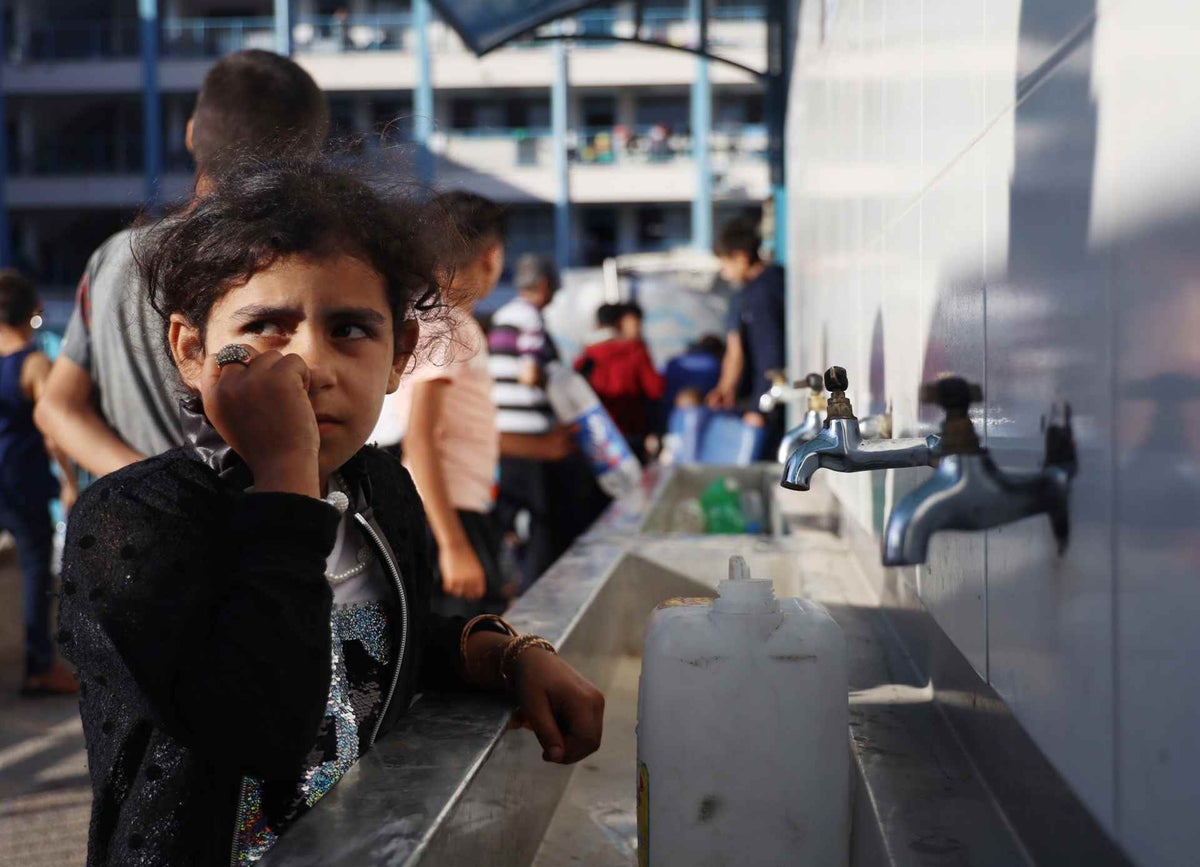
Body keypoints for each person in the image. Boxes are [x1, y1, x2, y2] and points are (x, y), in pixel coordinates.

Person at [58, 158, 604, 866]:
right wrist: (286, 478)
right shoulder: (134, 520)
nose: (311, 363)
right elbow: (263, 729)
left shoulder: (381, 487)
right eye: (264, 326)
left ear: (400, 353)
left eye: (350, 329)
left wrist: (503, 654)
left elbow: (369, 650)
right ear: (192, 352)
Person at [35, 49, 329, 477]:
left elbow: (56, 407)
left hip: (129, 535)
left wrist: (147, 493)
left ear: (192, 134)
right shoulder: (295, 270)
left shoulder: (115, 257)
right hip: (264, 526)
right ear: (310, 157)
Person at [384, 191, 510, 617]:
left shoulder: (429, 318)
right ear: (492, 257)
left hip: (442, 508)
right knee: (465, 651)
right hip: (448, 513)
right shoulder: (452, 327)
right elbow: (420, 438)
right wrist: (455, 545)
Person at [488, 254, 606, 587]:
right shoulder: (530, 319)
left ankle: (508, 582)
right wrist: (560, 387)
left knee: (509, 517)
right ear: (543, 285)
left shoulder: (501, 317)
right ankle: (537, 589)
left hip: (505, 436)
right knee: (543, 523)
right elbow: (528, 374)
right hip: (535, 440)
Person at [0, 270, 78, 696]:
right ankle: (39, 667)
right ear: (30, 312)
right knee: (34, 573)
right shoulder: (33, 363)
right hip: (25, 482)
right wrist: (68, 482)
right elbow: (53, 431)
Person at [705, 217, 786, 458]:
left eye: (725, 264)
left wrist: (758, 408)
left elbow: (770, 354)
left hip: (769, 405)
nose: (724, 272)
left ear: (741, 257)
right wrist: (725, 387)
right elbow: (735, 347)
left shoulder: (762, 293)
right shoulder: (752, 290)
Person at [575, 302, 664, 461]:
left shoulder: (586, 355)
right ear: (620, 323)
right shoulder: (635, 350)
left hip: (597, 433)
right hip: (630, 430)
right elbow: (655, 389)